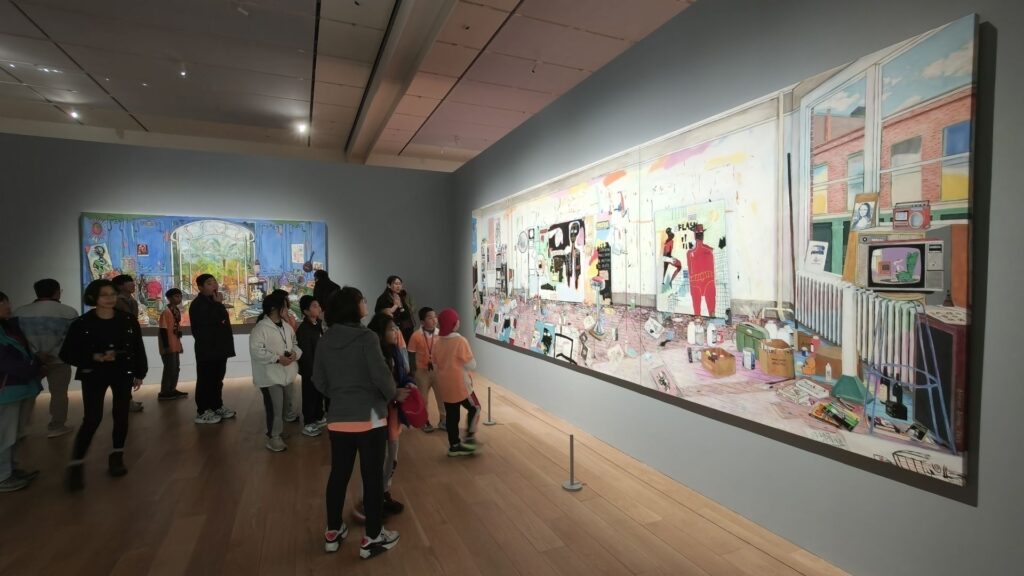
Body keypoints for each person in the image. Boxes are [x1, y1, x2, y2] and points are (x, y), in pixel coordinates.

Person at [314, 287, 405, 559]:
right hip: (370, 418)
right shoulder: (366, 337)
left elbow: (318, 379)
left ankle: (333, 531)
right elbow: (381, 377)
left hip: (339, 418)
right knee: (372, 476)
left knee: (338, 475)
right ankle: (373, 537)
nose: (366, 303)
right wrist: (391, 394)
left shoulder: (326, 339)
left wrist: (340, 395)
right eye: (362, 300)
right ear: (354, 307)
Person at [60, 280, 147, 491]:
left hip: (122, 372)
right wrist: (94, 357)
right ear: (93, 298)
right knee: (92, 418)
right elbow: (67, 353)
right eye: (104, 295)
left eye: (112, 294)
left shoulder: (127, 320)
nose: (110, 298)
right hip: (94, 374)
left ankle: (117, 456)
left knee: (121, 415)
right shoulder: (82, 323)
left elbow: (137, 347)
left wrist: (140, 372)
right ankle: (77, 463)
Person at [355, 313, 415, 520]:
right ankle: (368, 501)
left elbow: (402, 375)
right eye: (391, 329)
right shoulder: (373, 355)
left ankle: (383, 493)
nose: (396, 331)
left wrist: (409, 383)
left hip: (393, 412)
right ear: (380, 333)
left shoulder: (394, 351)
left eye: (396, 328)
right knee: (376, 459)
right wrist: (394, 391)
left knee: (392, 456)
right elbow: (376, 385)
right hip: (377, 413)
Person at [13, 278, 79, 438]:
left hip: (29, 361)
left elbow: (15, 340)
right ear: (57, 292)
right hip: (59, 360)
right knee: (59, 394)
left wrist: (36, 355)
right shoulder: (69, 312)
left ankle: (19, 430)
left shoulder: (20, 312)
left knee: (27, 394)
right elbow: (73, 340)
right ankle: (57, 426)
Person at [0, 291, 43, 492]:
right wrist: (34, 365)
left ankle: (12, 470)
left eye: (7, 302)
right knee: (5, 435)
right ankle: (3, 476)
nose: (7, 306)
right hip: (6, 391)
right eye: (2, 303)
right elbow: (9, 363)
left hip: (21, 388)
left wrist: (34, 363)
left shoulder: (9, 327)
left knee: (16, 433)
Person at [249, 292, 301, 452]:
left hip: (286, 374)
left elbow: (294, 343)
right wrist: (277, 358)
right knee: (275, 408)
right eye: (284, 306)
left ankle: (277, 431)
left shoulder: (286, 326)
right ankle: (274, 437)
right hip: (270, 376)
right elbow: (256, 351)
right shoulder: (261, 328)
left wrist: (295, 354)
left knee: (285, 406)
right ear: (274, 308)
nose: (287, 309)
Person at [188, 274, 236, 425]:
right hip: (207, 349)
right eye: (209, 283)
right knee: (205, 380)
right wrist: (218, 304)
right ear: (200, 287)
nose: (214, 285)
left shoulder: (213, 302)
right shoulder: (198, 304)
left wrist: (218, 304)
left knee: (217, 380)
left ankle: (216, 406)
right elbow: (212, 321)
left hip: (219, 348)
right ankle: (202, 411)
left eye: (215, 282)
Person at [433, 309, 479, 457]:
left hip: (445, 386)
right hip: (461, 386)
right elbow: (472, 365)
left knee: (452, 417)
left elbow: (435, 363)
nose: (459, 321)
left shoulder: (437, 342)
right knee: (475, 408)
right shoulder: (460, 341)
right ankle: (470, 437)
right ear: (454, 324)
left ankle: (454, 445)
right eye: (456, 319)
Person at [406, 307, 445, 432]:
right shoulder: (416, 336)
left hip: (438, 370)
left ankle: (444, 420)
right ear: (422, 322)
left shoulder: (441, 334)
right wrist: (413, 373)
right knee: (423, 398)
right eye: (430, 317)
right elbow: (411, 354)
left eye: (435, 316)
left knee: (442, 396)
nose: (434, 320)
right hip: (421, 371)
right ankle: (424, 421)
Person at [112, 274, 145, 412]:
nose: (133, 284)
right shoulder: (115, 301)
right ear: (120, 286)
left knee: (129, 371)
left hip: (131, 339)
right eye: (129, 282)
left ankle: (127, 400)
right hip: (119, 341)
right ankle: (124, 402)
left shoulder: (132, 301)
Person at [296, 295, 328, 437]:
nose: (319, 308)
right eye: (315, 306)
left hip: (320, 367)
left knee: (319, 393)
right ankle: (308, 423)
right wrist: (312, 371)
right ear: (306, 311)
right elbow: (306, 354)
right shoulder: (303, 329)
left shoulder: (319, 324)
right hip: (310, 369)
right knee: (309, 395)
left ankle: (318, 416)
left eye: (318, 305)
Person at [157, 288, 187, 401]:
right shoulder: (166, 312)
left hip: (175, 343)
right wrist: (166, 346)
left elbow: (176, 328)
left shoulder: (176, 311)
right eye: (176, 296)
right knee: (169, 368)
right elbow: (163, 330)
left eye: (180, 296)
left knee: (175, 368)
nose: (179, 298)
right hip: (168, 344)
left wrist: (180, 343)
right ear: (169, 298)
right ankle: (164, 392)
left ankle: (172, 389)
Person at [686, 224, 716, 317]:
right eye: (699, 233)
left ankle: (701, 319)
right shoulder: (708, 250)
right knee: (705, 309)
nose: (699, 235)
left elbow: (690, 270)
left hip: (702, 281)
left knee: (703, 309)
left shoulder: (691, 253)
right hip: (702, 281)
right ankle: (707, 318)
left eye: (699, 233)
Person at [374, 276, 415, 343]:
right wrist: (395, 306)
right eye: (396, 284)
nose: (398, 286)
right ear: (389, 285)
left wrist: (401, 307)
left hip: (405, 330)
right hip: (391, 332)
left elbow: (406, 316)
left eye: (400, 284)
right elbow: (380, 315)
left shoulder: (401, 297)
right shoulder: (383, 299)